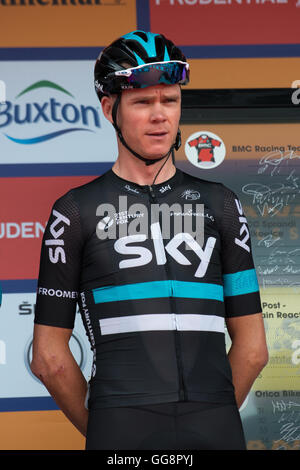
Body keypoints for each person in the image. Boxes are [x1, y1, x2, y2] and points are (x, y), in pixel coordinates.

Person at [31, 30, 268, 450]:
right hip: (215, 425)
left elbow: (50, 359)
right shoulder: (221, 205)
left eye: (170, 100)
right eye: (142, 102)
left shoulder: (76, 210)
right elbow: (251, 350)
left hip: (122, 426)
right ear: (109, 109)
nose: (160, 115)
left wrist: (109, 426)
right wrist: (210, 413)